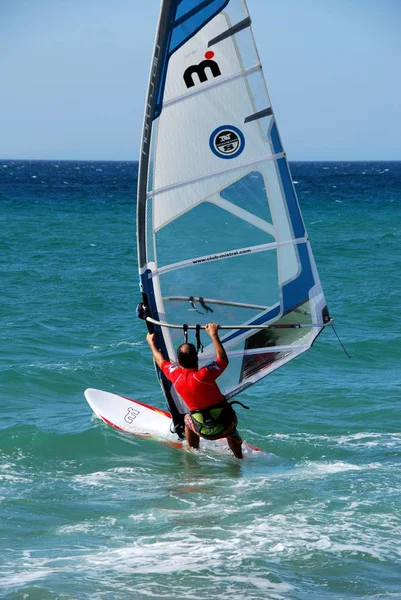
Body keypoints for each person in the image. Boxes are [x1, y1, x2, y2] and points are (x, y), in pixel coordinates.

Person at [146, 323, 243, 458]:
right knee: (229, 424)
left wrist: (151, 343)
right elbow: (223, 360)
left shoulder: (175, 376)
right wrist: (214, 335)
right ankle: (238, 456)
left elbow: (160, 360)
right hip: (225, 426)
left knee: (187, 419)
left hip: (202, 430)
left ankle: (194, 450)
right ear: (196, 359)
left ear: (179, 362)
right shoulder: (205, 375)